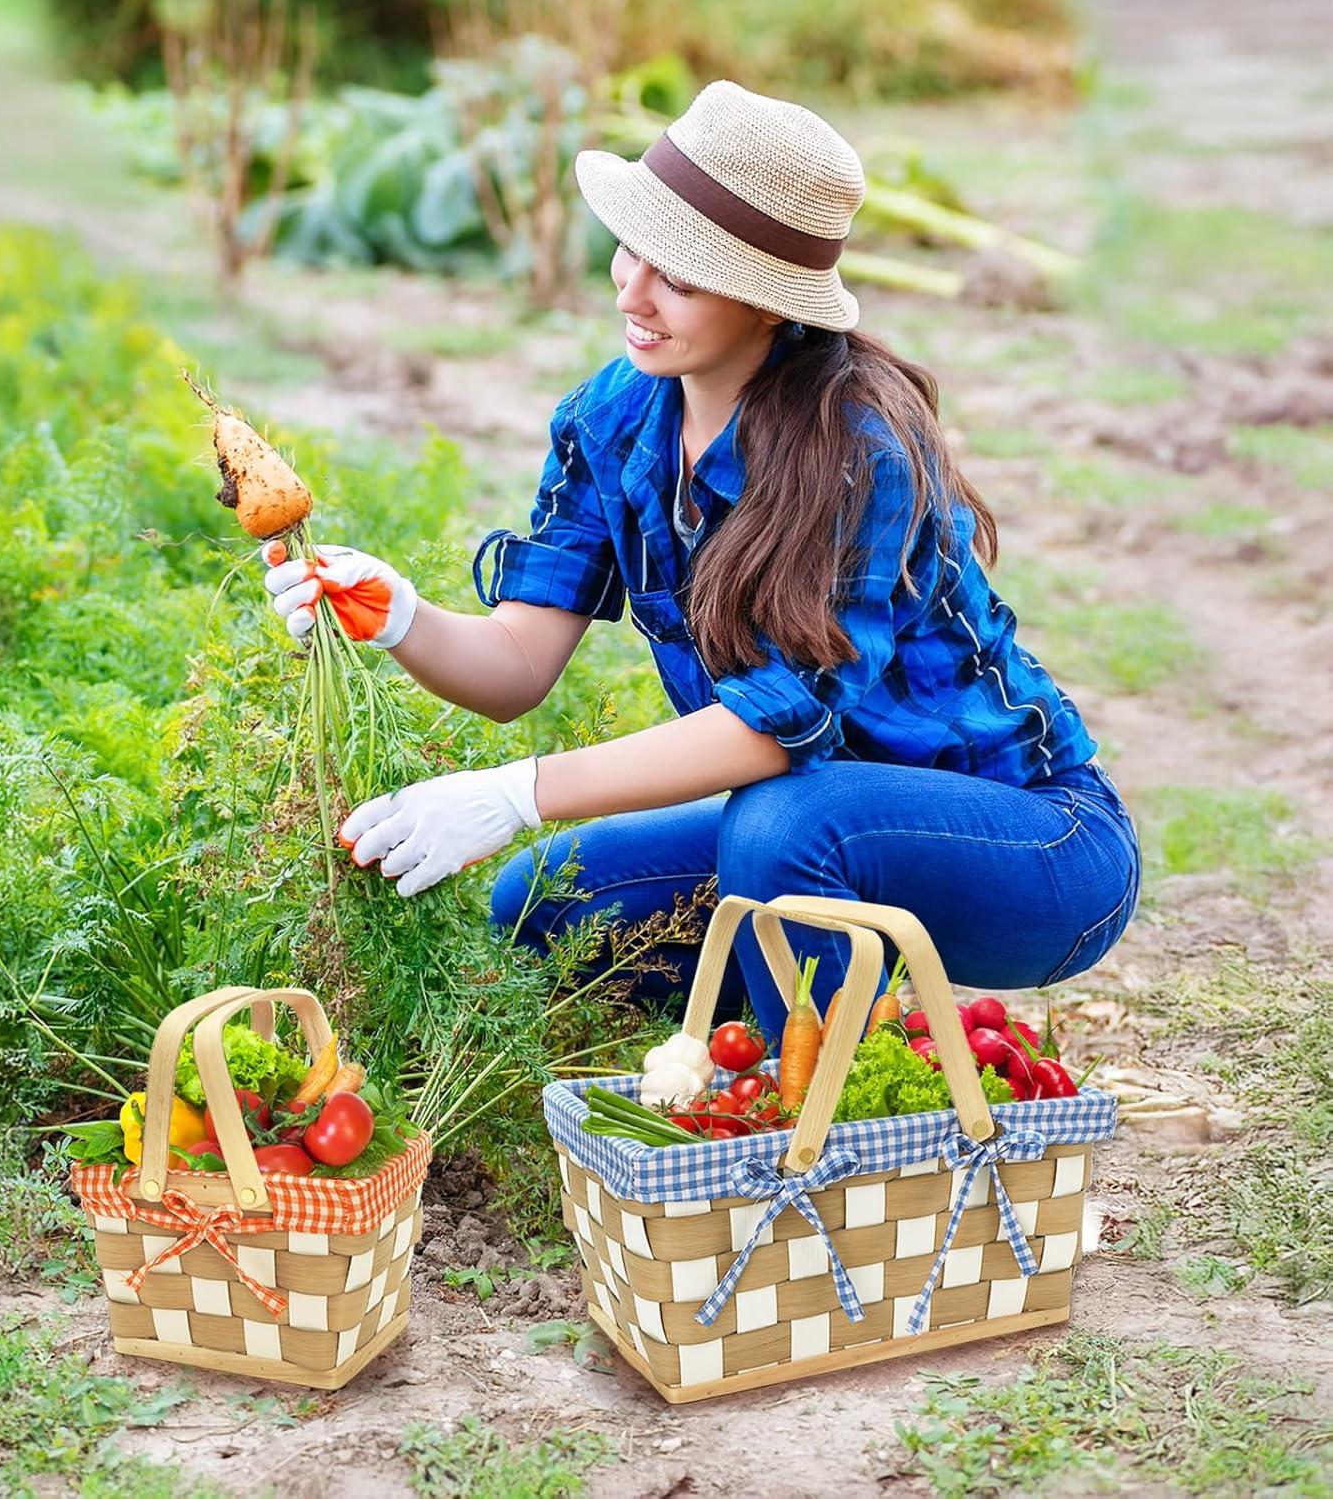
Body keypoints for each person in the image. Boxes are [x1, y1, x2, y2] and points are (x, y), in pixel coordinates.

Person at [263, 81, 1141, 1043]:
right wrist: (399, 616)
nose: (631, 293)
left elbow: (778, 732)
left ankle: (833, 1099)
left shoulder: (858, 447)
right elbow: (515, 667)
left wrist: (516, 793)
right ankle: (786, 1034)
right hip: (819, 829)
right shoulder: (613, 416)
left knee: (783, 824)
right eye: (630, 249)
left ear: (768, 305)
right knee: (545, 899)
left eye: (678, 277)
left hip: (1035, 846)